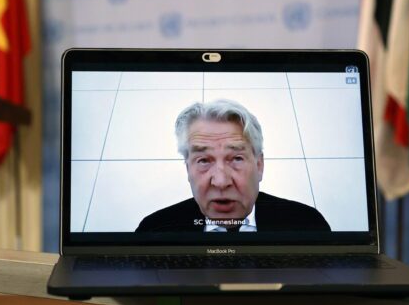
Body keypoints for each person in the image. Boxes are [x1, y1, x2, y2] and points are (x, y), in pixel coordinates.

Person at [136, 99, 330, 232]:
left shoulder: (307, 224)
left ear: (259, 165)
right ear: (188, 169)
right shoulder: (153, 229)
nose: (220, 182)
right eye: (203, 160)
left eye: (236, 158)